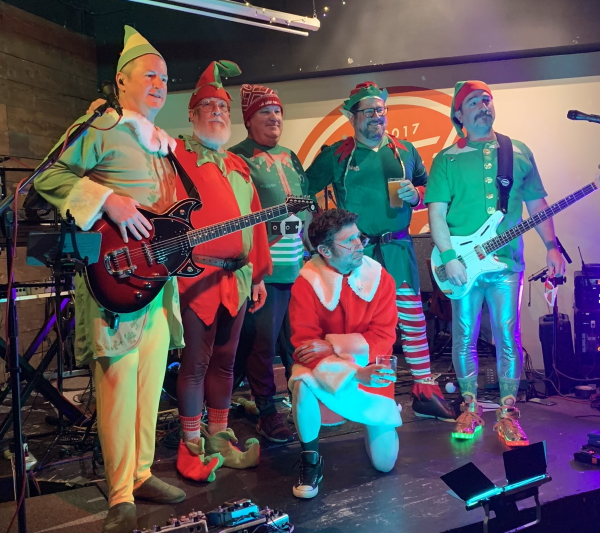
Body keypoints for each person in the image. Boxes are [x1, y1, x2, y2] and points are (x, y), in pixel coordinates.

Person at [34, 27, 186, 533]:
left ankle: (142, 473)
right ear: (122, 80)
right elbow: (48, 176)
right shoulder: (101, 125)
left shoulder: (162, 144)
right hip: (114, 280)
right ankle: (120, 493)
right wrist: (107, 200)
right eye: (150, 75)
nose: (160, 84)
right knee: (118, 384)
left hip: (156, 280)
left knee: (149, 383)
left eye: (165, 78)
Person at [425, 80, 566, 446]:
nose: (483, 106)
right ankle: (469, 407)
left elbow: (536, 204)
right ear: (459, 114)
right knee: (465, 334)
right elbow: (436, 214)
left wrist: (552, 247)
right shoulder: (446, 158)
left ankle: (508, 413)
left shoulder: (517, 151)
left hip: (507, 263)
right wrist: (449, 257)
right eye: (473, 102)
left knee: (508, 334)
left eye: (486, 99)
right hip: (462, 264)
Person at [305, 81, 455, 421]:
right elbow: (304, 187)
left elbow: (429, 187)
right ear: (352, 116)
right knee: (359, 326)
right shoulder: (336, 155)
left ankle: (423, 389)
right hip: (356, 253)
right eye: (369, 110)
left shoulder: (405, 151)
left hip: (398, 248)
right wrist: (321, 222)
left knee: (412, 319)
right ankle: (360, 391)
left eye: (381, 109)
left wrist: (417, 195)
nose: (377, 116)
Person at [174, 61, 273, 478]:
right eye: (208, 106)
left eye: (223, 108)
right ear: (192, 114)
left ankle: (219, 438)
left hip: (238, 276)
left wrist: (259, 273)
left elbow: (255, 221)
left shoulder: (237, 164)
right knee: (196, 363)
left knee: (226, 363)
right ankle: (190, 447)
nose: (217, 112)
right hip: (197, 276)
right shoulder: (176, 155)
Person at [288, 208, 401, 499]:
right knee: (301, 383)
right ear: (325, 251)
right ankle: (310, 458)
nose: (359, 245)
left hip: (371, 371)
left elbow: (384, 337)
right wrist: (352, 371)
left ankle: (372, 423)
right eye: (349, 241)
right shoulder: (307, 282)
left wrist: (334, 346)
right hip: (326, 371)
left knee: (385, 464)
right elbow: (305, 346)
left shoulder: (380, 278)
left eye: (359, 237)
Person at [230, 84, 308, 443]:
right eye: (265, 111)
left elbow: (306, 205)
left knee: (298, 343)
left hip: (298, 267)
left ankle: (302, 402)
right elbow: (237, 216)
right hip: (264, 269)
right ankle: (266, 411)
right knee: (262, 345)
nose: (274, 117)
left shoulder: (291, 156)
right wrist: (255, 267)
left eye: (277, 111)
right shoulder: (237, 158)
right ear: (248, 120)